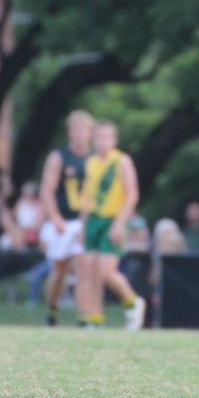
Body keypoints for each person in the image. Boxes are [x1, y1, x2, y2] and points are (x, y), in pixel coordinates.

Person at [79, 120, 146, 330]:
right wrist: (82, 226)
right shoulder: (90, 162)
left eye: (107, 137)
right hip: (94, 220)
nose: (102, 141)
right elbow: (88, 196)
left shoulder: (121, 161)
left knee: (106, 271)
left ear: (114, 140)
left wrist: (119, 223)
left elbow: (132, 194)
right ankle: (95, 317)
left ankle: (133, 302)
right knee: (89, 269)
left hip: (113, 218)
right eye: (99, 137)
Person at [38, 110, 94, 324]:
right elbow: (47, 190)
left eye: (84, 129)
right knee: (59, 271)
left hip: (82, 222)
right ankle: (52, 309)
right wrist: (54, 217)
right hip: (61, 221)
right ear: (69, 132)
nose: (80, 134)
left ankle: (84, 315)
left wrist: (86, 222)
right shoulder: (59, 157)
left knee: (82, 267)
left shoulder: (94, 159)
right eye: (76, 129)